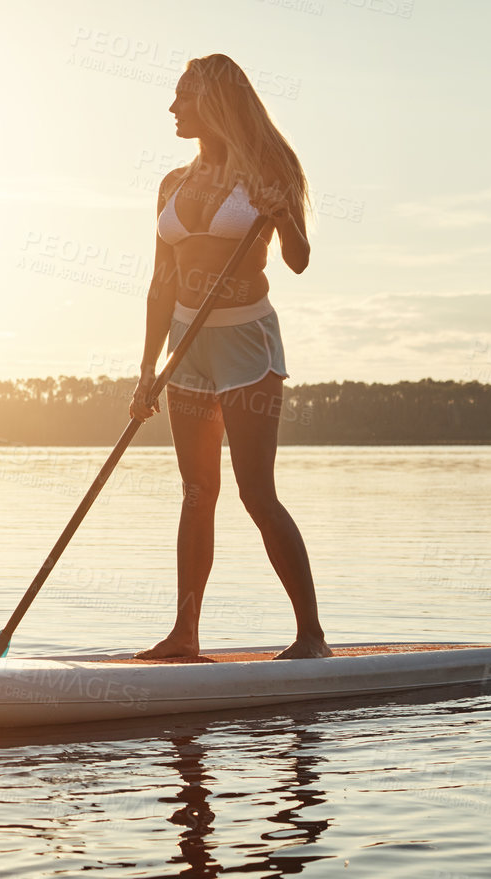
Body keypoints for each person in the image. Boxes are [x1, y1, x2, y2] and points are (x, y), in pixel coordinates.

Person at [128, 54, 331, 660]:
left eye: (183, 98)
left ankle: (311, 638)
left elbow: (298, 258)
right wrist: (146, 370)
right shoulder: (172, 182)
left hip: (247, 343)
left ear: (214, 104)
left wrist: (279, 216)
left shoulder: (267, 170)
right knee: (197, 492)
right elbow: (161, 282)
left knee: (255, 493)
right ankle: (185, 637)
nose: (171, 109)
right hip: (185, 347)